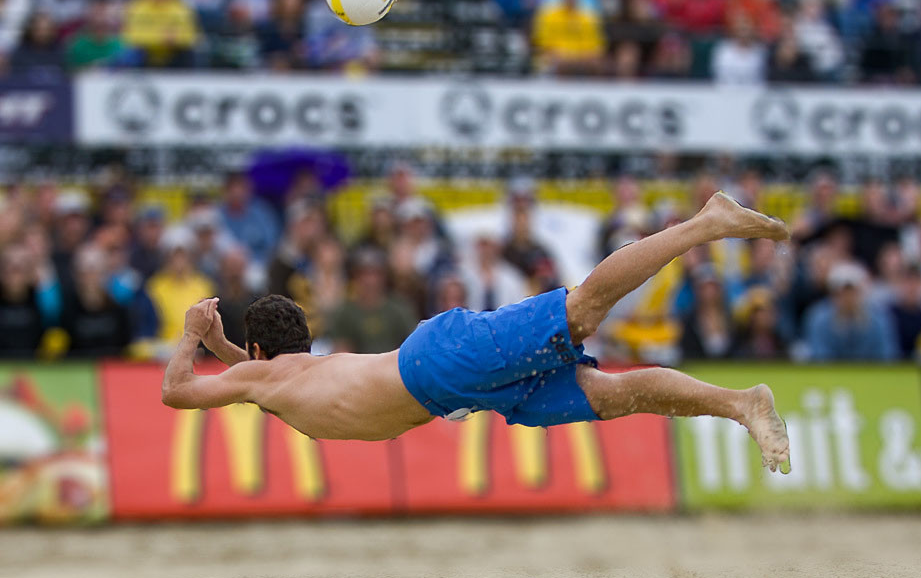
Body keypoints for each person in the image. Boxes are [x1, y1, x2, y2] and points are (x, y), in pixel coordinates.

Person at [161, 193, 792, 472]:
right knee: (610, 394)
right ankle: (741, 404)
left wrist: (192, 333)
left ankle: (706, 222)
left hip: (440, 366)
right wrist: (219, 342)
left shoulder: (268, 378)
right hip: (455, 388)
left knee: (585, 309)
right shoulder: (278, 374)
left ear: (264, 352)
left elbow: (177, 391)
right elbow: (252, 367)